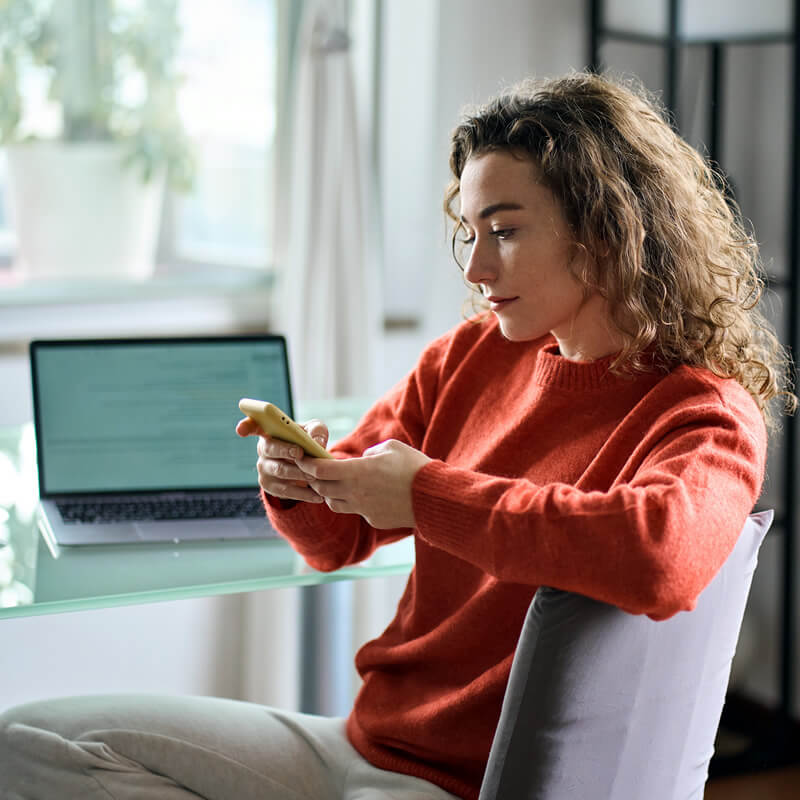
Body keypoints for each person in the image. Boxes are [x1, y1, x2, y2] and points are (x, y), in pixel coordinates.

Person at [0, 71, 794, 800]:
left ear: (604, 231)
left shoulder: (703, 412)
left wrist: (422, 495)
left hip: (466, 784)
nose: (477, 268)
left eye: (506, 231)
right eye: (471, 231)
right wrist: (300, 482)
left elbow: (660, 557)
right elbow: (336, 538)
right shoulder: (472, 356)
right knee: (27, 741)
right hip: (365, 746)